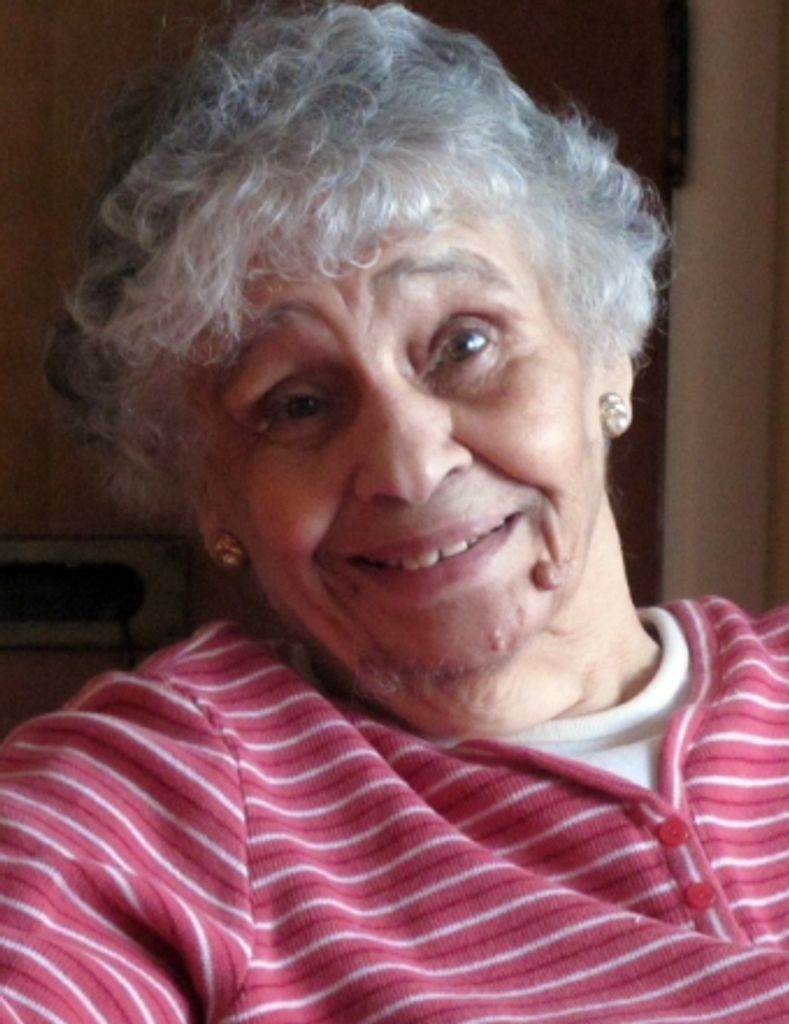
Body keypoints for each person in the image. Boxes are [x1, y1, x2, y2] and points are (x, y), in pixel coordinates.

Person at [2, 2, 788, 1021]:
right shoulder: (169, 796)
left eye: (465, 344)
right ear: (211, 495)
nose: (409, 466)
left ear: (608, 352)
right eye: (297, 403)